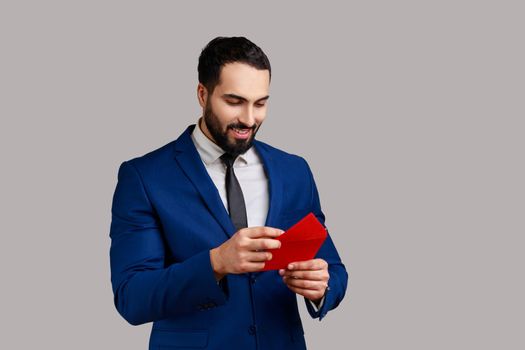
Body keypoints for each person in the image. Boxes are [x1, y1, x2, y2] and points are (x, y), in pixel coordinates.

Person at [109, 36, 348, 350]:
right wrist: (216, 263)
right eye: (235, 101)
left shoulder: (295, 171)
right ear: (202, 94)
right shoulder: (144, 176)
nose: (249, 119)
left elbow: (333, 268)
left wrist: (322, 286)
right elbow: (132, 296)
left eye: (260, 103)